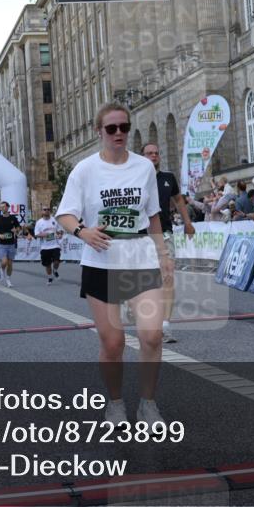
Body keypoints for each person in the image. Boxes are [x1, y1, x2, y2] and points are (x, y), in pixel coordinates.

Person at [56, 102, 169, 427]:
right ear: (99, 132)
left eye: (124, 127)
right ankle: (115, 403)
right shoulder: (85, 170)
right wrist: (83, 231)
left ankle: (148, 405)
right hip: (101, 262)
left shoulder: (144, 167)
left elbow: (153, 216)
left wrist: (164, 255)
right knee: (113, 341)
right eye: (111, 128)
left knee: (151, 336)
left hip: (140, 257)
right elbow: (65, 214)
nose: (119, 133)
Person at [142, 142, 195, 344]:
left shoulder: (168, 178)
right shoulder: (135, 178)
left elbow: (179, 200)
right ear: (142, 157)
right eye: (149, 153)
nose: (153, 156)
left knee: (168, 277)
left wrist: (188, 223)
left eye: (156, 153)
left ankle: (165, 325)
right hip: (141, 236)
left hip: (164, 233)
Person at [0, 201, 22, 287]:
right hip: (2, 243)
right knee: (4, 261)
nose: (2, 208)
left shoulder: (13, 218)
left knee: (10, 264)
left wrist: (16, 230)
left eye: (3, 207)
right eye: (1, 207)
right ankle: (2, 270)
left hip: (11, 243)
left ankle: (8, 279)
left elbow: (19, 228)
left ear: (7, 207)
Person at [33, 206, 62, 285]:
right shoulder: (39, 222)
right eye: (45, 210)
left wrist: (59, 235)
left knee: (57, 261)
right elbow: (36, 234)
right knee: (47, 264)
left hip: (55, 245)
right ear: (42, 211)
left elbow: (59, 231)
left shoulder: (54, 220)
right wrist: (44, 234)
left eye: (48, 209)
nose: (47, 211)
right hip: (45, 247)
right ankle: (50, 277)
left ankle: (55, 270)